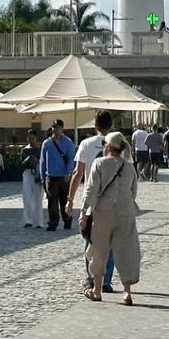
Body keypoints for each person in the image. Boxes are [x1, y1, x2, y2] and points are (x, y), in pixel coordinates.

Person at [83, 132, 142, 306]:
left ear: (108, 147)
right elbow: (133, 192)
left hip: (103, 213)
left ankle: (97, 290)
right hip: (125, 212)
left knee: (99, 250)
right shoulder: (130, 167)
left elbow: (90, 191)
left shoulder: (99, 163)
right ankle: (127, 292)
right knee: (126, 250)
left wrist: (84, 214)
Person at [69, 111, 118, 293]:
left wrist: (70, 199)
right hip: (113, 199)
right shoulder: (120, 143)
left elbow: (78, 173)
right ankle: (106, 280)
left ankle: (90, 278)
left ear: (95, 125)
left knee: (89, 237)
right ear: (110, 124)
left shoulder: (86, 144)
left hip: (91, 198)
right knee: (110, 241)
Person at [39, 119, 76, 231]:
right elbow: (42, 161)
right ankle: (53, 222)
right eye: (54, 127)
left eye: (58, 127)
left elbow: (71, 159)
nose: (56, 129)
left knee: (64, 200)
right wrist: (42, 177)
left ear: (62, 129)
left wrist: (68, 172)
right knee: (52, 201)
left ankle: (67, 220)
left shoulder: (68, 142)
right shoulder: (47, 143)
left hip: (64, 176)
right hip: (51, 176)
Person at [21, 149, 45, 228]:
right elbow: (20, 165)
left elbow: (44, 161)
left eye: (33, 138)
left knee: (38, 198)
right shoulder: (24, 150)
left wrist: (37, 161)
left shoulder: (40, 150)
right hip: (27, 172)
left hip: (37, 172)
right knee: (27, 197)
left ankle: (39, 221)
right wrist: (26, 161)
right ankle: (28, 220)